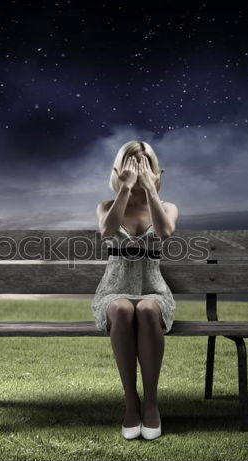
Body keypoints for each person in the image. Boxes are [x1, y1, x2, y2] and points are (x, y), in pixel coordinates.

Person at [91, 140, 178, 440]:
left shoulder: (167, 207)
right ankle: (131, 403)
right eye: (131, 163)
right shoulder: (106, 206)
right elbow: (108, 231)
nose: (138, 170)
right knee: (123, 308)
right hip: (114, 288)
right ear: (119, 169)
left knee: (146, 308)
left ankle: (151, 403)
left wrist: (150, 189)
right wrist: (126, 189)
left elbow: (165, 231)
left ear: (155, 170)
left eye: (144, 163)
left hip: (153, 288)